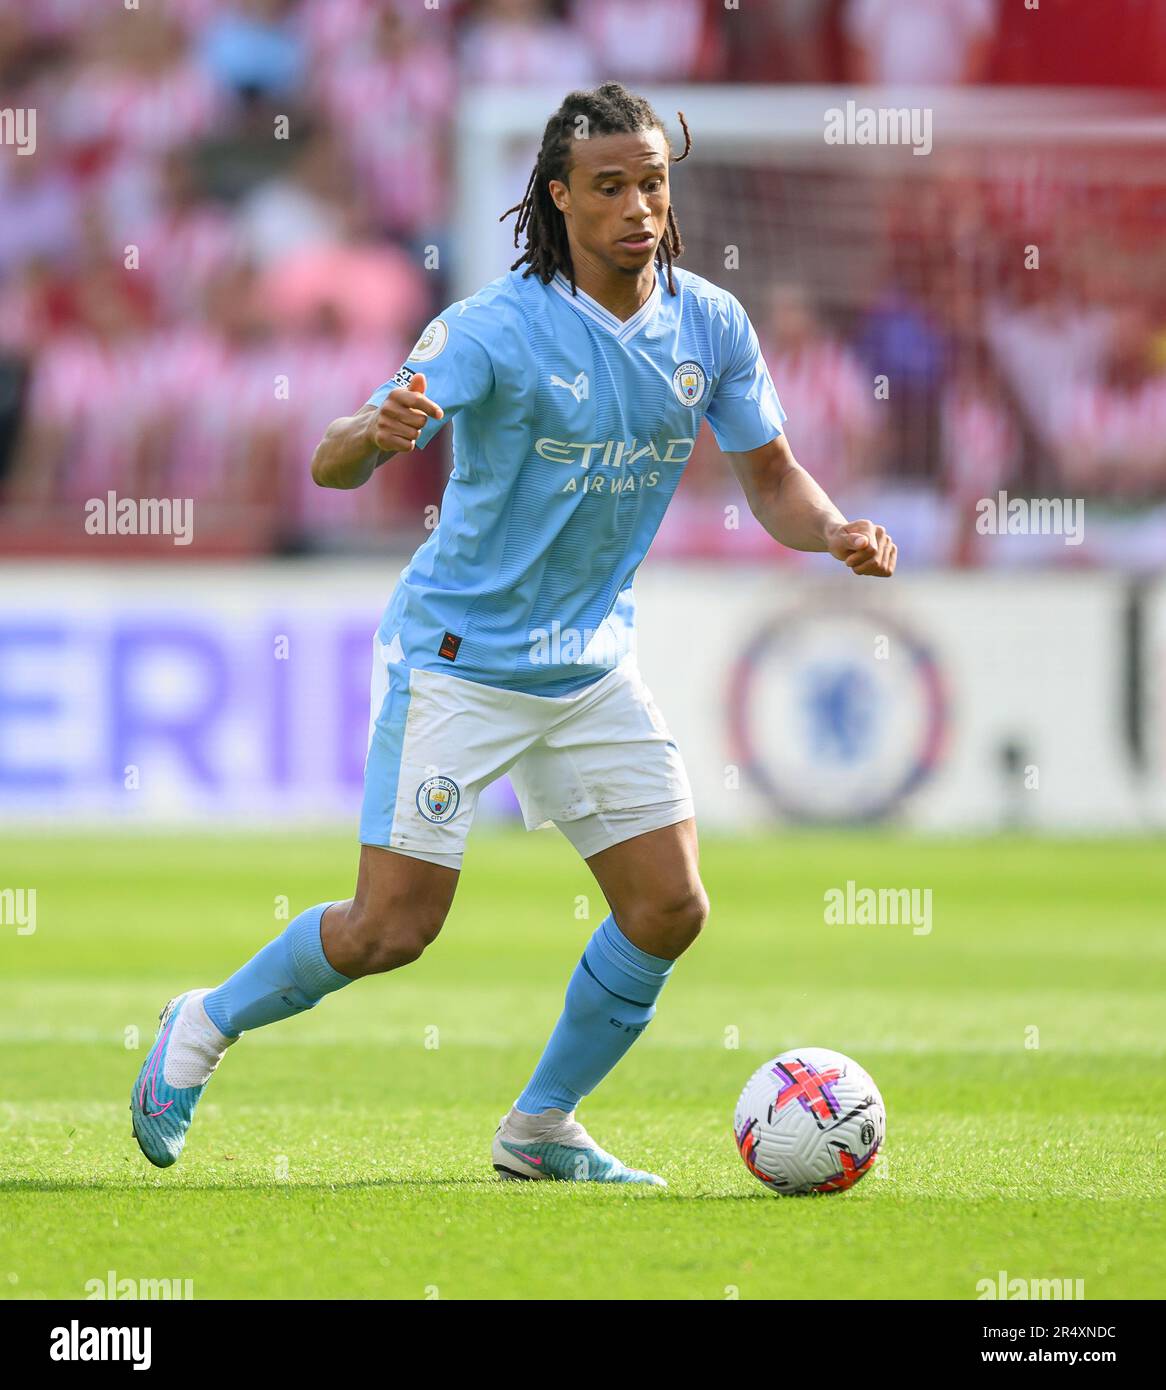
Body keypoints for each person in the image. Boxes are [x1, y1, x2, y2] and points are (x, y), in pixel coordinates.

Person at [130, 82, 896, 1185]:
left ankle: (540, 1128)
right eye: (610, 186)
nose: (638, 206)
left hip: (588, 667)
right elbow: (332, 461)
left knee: (668, 905)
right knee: (390, 930)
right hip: (461, 664)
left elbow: (771, 479)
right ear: (558, 196)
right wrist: (372, 430)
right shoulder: (496, 325)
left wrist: (833, 533)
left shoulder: (709, 324)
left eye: (652, 182)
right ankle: (201, 1024)